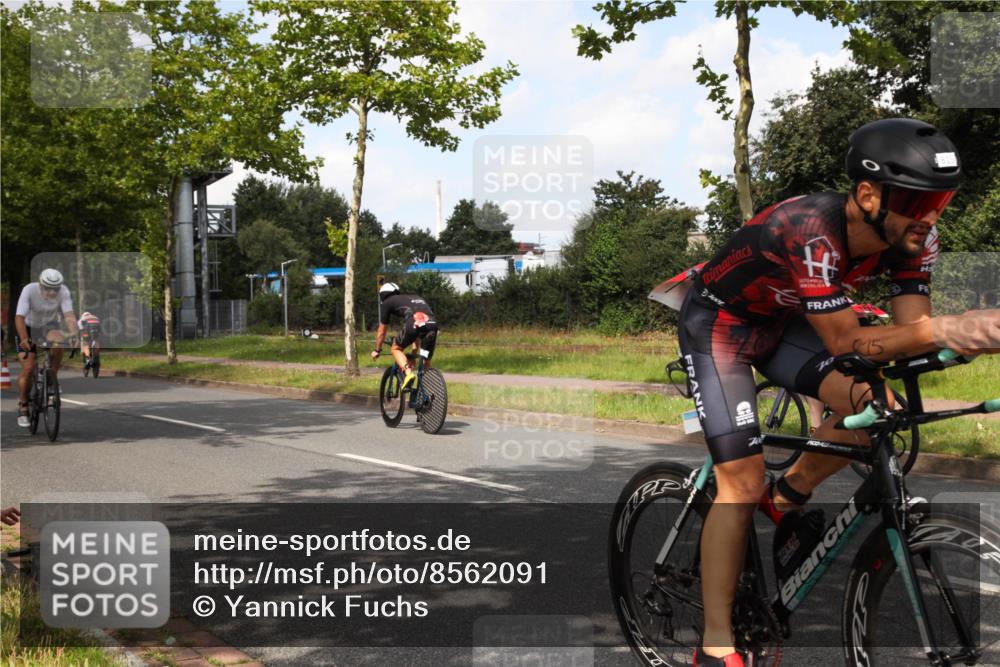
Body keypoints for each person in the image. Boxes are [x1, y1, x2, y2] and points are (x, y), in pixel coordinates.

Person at [678, 118, 1000, 666]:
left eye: (941, 203)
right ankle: (714, 645)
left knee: (878, 408)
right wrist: (945, 328)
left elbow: (906, 336)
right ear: (869, 194)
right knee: (740, 479)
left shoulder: (914, 239)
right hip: (721, 328)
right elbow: (853, 340)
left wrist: (965, 341)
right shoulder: (811, 229)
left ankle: (787, 496)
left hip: (786, 324)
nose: (931, 218)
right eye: (920, 203)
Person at [14, 269, 78, 427]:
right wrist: (23, 339)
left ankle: (51, 378)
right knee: (28, 369)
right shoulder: (29, 290)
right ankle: (23, 405)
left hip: (48, 326)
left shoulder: (63, 291)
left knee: (59, 340)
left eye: (55, 289)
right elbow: (19, 317)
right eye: (48, 288)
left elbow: (69, 315)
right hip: (28, 327)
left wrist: (74, 334)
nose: (51, 292)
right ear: (40, 284)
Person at [370, 282, 438, 389]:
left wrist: (377, 350)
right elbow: (421, 323)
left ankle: (408, 373)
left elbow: (382, 331)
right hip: (433, 325)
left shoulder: (387, 302)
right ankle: (427, 390)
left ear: (383, 295)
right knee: (425, 359)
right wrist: (414, 352)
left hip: (415, 323)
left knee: (396, 349)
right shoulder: (414, 298)